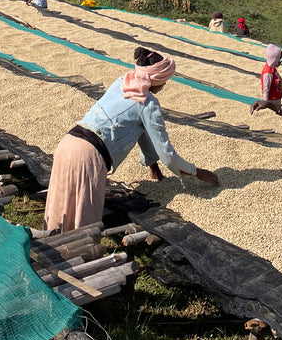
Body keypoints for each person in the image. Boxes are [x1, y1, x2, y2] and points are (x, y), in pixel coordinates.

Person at [43, 48, 219, 233]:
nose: (165, 86)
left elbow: (140, 131)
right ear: (157, 80)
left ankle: (51, 249)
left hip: (68, 142)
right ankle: (76, 257)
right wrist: (196, 172)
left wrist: (152, 164)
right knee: (83, 223)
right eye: (165, 81)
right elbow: (167, 155)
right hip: (88, 156)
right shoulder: (148, 104)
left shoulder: (123, 82)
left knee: (60, 207)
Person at [250, 44, 282, 116]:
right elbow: (266, 90)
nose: (280, 62)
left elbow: (275, 84)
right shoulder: (268, 72)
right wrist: (266, 104)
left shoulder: (273, 69)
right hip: (272, 103)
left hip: (276, 100)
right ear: (275, 59)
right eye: (280, 59)